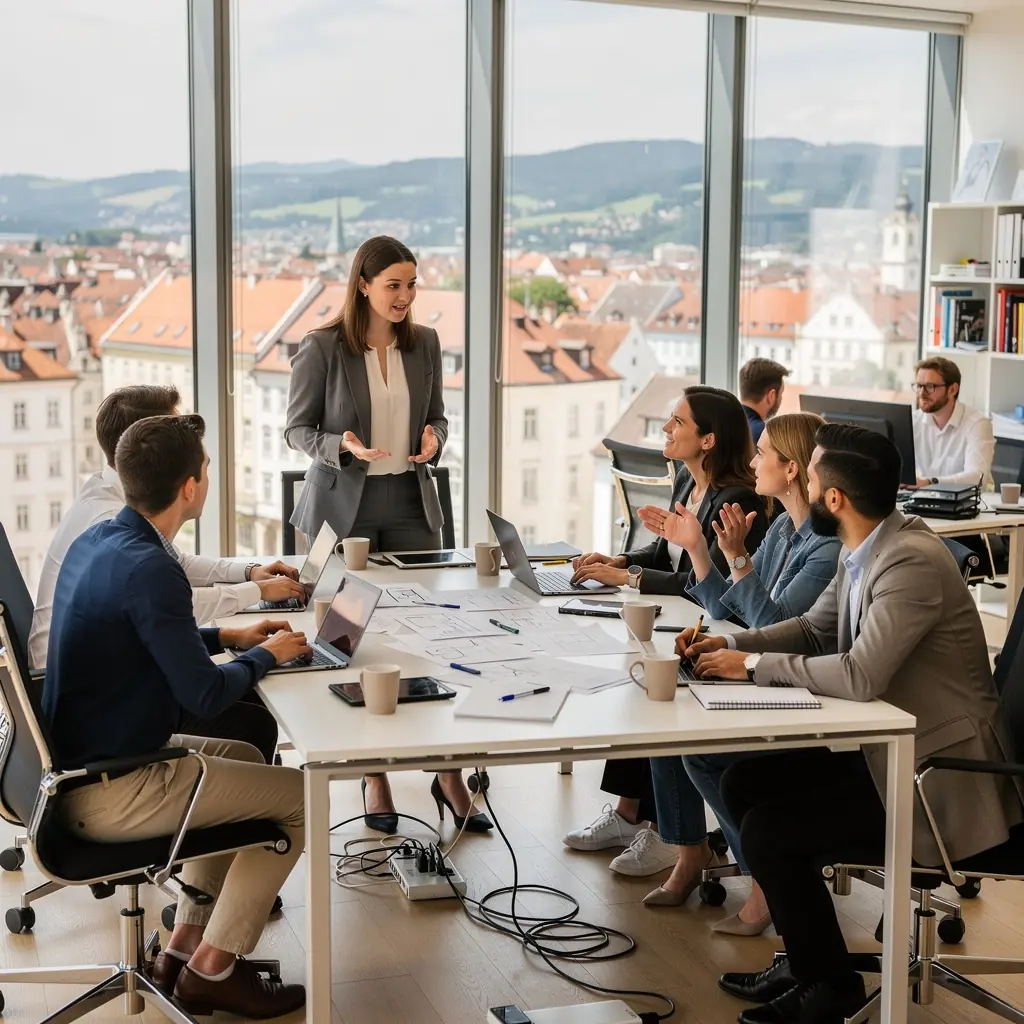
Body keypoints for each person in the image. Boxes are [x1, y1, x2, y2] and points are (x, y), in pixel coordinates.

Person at [680, 423, 1023, 1024]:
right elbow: (814, 630)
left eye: (809, 477)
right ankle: (810, 957)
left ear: (833, 499)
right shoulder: (864, 546)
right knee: (742, 783)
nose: (803, 486)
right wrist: (728, 642)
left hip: (938, 781)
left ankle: (828, 986)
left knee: (770, 830)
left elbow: (861, 675)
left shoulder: (909, 561)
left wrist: (753, 665)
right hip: (893, 754)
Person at [43, 414, 312, 1018]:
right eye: (208, 467)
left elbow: (148, 635)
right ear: (190, 488)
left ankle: (184, 944)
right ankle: (215, 970)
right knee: (300, 799)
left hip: (79, 771)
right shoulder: (153, 567)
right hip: (113, 788)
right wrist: (267, 655)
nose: (209, 475)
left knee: (244, 758)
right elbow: (206, 697)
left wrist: (230, 634)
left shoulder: (104, 540)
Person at [284, 234, 488, 834]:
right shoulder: (322, 347)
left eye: (411, 284)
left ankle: (446, 774)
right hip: (343, 508)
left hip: (409, 500)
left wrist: (434, 439)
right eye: (393, 285)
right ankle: (374, 776)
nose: (405, 296)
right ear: (364, 286)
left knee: (427, 639)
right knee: (352, 642)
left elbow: (438, 415)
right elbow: (296, 430)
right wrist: (339, 446)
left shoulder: (424, 342)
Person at [640, 412, 840, 933]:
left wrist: (736, 561)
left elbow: (781, 628)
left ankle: (764, 879)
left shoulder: (826, 548)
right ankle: (691, 853)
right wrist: (705, 557)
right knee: (666, 718)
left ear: (792, 469)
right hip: (764, 668)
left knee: (696, 744)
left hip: (802, 691)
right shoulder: (780, 528)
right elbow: (737, 614)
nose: (752, 461)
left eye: (763, 452)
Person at [29, 385, 299, 763]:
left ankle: (242, 805)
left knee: (249, 712)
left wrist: (245, 589)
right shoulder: (111, 524)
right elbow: (169, 599)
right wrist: (260, 628)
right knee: (255, 730)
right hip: (106, 718)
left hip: (93, 695)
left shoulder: (112, 523)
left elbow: (171, 571)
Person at [563, 386, 768, 876]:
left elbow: (703, 584)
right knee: (637, 683)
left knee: (653, 689)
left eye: (677, 422)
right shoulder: (684, 481)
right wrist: (620, 560)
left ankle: (660, 829)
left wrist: (625, 579)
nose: (665, 429)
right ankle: (628, 814)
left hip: (711, 623)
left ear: (709, 440)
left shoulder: (735, 499)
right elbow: (662, 556)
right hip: (672, 616)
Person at [912, 355, 994, 489]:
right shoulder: (914, 421)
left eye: (930, 386)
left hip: (968, 504)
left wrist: (929, 482)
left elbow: (978, 477)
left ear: (952, 390)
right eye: (919, 386)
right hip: (923, 500)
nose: (922, 393)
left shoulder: (977, 424)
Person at [738, 357, 789, 444]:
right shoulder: (765, 435)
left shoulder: (723, 423)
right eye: (781, 394)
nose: (781, 399)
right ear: (771, 396)